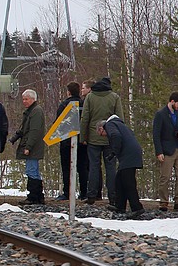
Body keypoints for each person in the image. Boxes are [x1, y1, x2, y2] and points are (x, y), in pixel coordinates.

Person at [80, 76, 123, 206]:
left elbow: (85, 118)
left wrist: (83, 137)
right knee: (111, 168)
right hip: (110, 138)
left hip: (93, 137)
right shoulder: (114, 97)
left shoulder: (90, 97)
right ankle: (113, 196)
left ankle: (92, 195)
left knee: (94, 167)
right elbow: (119, 118)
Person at [99, 116, 145, 218]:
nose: (105, 136)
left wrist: (114, 152)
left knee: (128, 182)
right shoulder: (119, 124)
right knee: (119, 180)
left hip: (129, 154)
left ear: (101, 128)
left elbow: (116, 136)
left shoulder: (109, 125)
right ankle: (120, 206)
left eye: (102, 134)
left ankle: (137, 208)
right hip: (131, 152)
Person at [151, 91, 178, 211]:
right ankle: (163, 201)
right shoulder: (160, 114)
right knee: (165, 177)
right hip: (167, 150)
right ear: (172, 102)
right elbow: (156, 134)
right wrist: (159, 151)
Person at [11, 89, 46, 206]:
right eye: (23, 99)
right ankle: (38, 196)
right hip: (32, 145)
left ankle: (33, 196)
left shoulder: (36, 111)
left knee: (31, 170)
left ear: (33, 99)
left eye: (26, 99)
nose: (24, 101)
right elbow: (25, 129)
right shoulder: (32, 111)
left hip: (33, 146)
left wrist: (28, 146)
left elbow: (34, 131)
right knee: (33, 170)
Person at [56, 81, 89, 201]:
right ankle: (84, 192)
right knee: (82, 167)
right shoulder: (83, 104)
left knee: (66, 168)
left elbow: (58, 123)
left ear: (68, 92)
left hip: (66, 140)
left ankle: (67, 192)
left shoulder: (64, 105)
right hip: (82, 140)